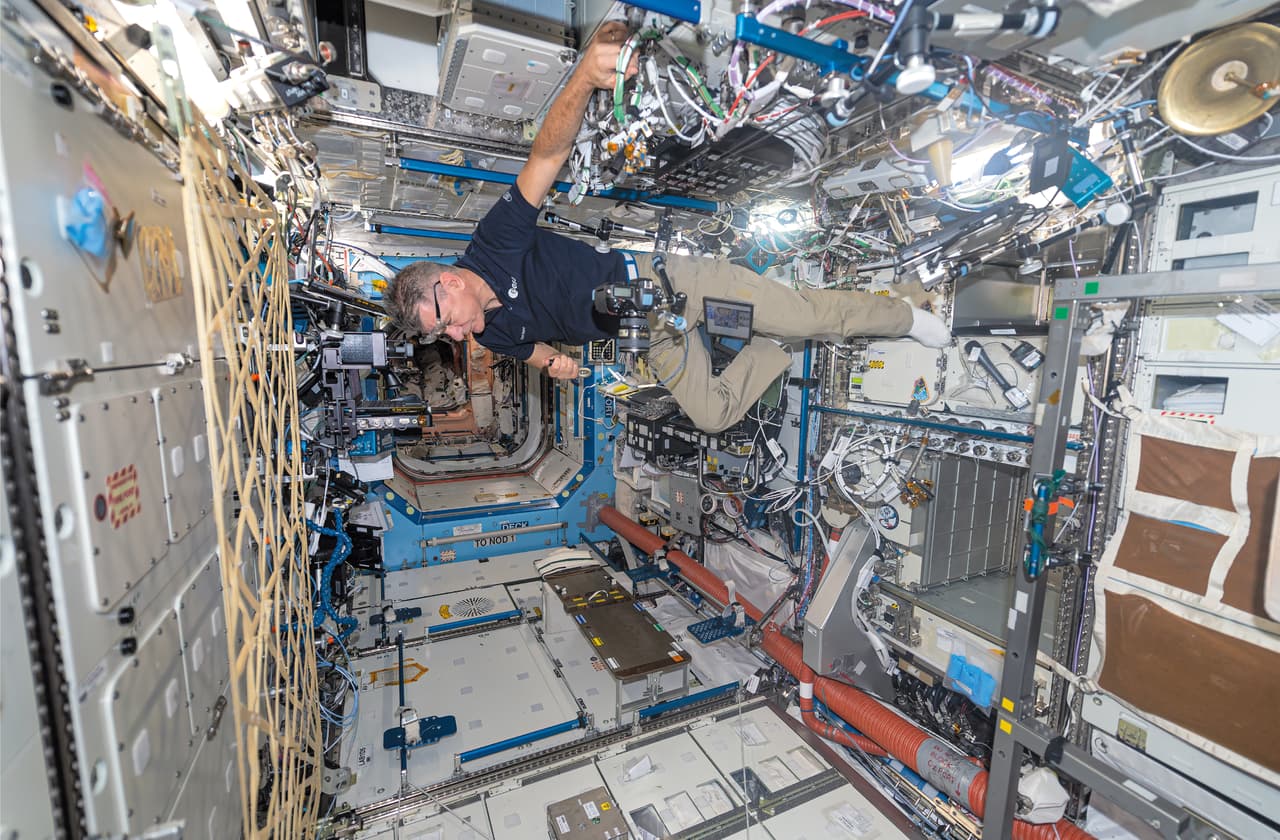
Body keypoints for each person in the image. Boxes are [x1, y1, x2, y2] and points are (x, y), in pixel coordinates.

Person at [384, 22, 951, 433]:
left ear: (449, 284)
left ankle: (905, 317)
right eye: (446, 338)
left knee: (813, 316)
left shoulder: (495, 241)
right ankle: (774, 339)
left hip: (672, 284)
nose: (459, 338)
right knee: (711, 415)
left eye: (448, 325)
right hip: (649, 334)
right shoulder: (490, 332)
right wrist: (559, 365)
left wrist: (583, 79)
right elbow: (535, 353)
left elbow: (545, 159)